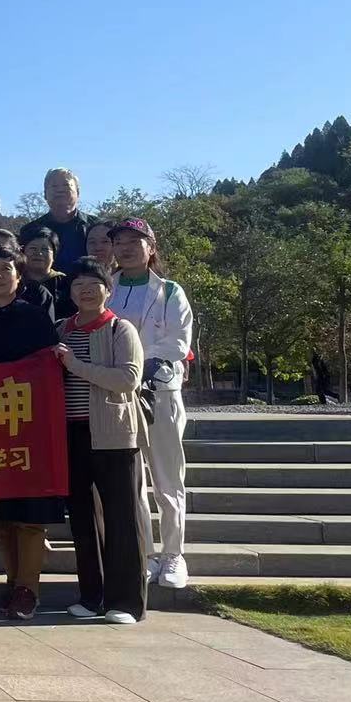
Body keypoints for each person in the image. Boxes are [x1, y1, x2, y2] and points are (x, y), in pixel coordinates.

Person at [0, 244, 64, 621]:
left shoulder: (34, 317)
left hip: (28, 425)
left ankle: (28, 589)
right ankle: (12, 583)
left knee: (29, 511)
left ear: (19, 278)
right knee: (0, 514)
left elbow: (48, 368)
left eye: (5, 269)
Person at [58, 260, 149, 624]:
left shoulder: (119, 328)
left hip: (114, 434)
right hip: (70, 434)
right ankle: (92, 596)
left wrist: (75, 365)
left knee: (121, 518)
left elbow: (128, 379)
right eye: (78, 284)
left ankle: (126, 602)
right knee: (83, 519)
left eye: (93, 284)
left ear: (108, 290)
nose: (85, 290)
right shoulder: (61, 330)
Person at [108, 217, 195, 590]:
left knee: (167, 478)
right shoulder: (106, 288)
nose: (126, 248)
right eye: (120, 242)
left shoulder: (170, 291)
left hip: (159, 392)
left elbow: (178, 342)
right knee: (132, 481)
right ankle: (144, 554)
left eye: (135, 241)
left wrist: (135, 361)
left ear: (151, 247)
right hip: (116, 397)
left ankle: (173, 553)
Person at [18, 167, 97, 270]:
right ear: (45, 194)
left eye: (66, 185)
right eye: (54, 186)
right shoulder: (30, 230)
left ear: (78, 192)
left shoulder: (95, 226)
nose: (60, 190)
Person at [16, 227, 68, 322]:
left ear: (54, 255)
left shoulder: (65, 283)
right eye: (33, 248)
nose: (39, 253)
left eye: (45, 249)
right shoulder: (14, 282)